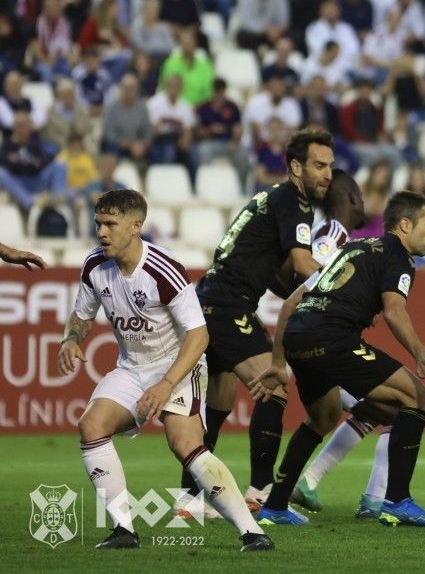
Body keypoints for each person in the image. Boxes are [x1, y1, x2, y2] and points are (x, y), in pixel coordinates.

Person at [56, 189, 273, 551]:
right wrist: (71, 339)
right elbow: (81, 315)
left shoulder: (163, 270)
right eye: (98, 224)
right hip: (132, 367)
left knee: (185, 444)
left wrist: (166, 383)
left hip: (179, 365)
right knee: (91, 426)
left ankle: (252, 532)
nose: (102, 232)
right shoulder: (95, 266)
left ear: (135, 226)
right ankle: (123, 530)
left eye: (110, 224)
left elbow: (199, 335)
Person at [250, 191, 425, 527]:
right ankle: (397, 501)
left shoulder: (353, 248)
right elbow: (394, 310)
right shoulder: (398, 257)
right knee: (420, 399)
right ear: (404, 224)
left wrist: (279, 364)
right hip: (333, 338)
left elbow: (290, 304)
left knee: (323, 418)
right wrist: (420, 351)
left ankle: (275, 506)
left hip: (298, 337)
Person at [177, 129, 334, 515]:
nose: (327, 174)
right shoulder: (294, 201)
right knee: (273, 387)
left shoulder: (271, 197)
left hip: (208, 301)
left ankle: (189, 499)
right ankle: (261, 492)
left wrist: (305, 293)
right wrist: (341, 285)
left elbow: (279, 278)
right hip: (229, 305)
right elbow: (302, 264)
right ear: (296, 167)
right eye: (319, 165)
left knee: (218, 402)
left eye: (330, 166)